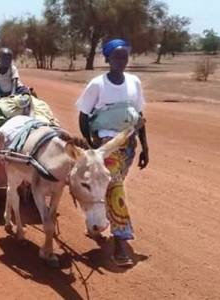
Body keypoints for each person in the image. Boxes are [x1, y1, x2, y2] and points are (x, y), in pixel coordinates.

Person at [75, 38, 149, 267]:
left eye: (124, 56)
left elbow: (139, 116)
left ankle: (95, 221)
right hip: (107, 144)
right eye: (116, 57)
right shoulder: (97, 84)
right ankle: (120, 243)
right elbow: (84, 116)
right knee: (116, 188)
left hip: (128, 145)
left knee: (109, 186)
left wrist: (145, 147)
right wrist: (93, 146)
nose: (121, 61)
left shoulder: (134, 82)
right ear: (107, 59)